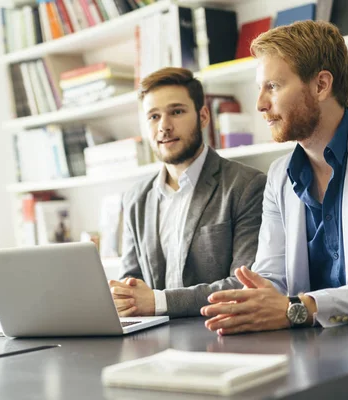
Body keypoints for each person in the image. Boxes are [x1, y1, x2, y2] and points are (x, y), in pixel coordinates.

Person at [200, 20, 348, 398]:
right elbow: (273, 280)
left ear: (321, 85)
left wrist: (301, 307)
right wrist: (255, 298)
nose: (261, 104)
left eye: (273, 87)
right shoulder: (279, 176)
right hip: (311, 356)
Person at [108, 67, 267, 318]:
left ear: (203, 116)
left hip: (219, 336)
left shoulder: (246, 185)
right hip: (153, 342)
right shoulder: (136, 198)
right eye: (153, 116)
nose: (164, 126)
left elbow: (243, 285)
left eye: (177, 112)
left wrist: (158, 302)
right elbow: (131, 282)